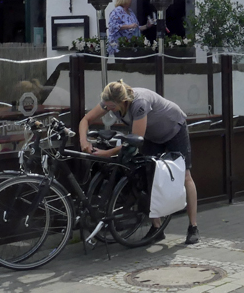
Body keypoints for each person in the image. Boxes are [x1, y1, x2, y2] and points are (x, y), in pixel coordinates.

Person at [78, 81, 198, 244]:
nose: (109, 110)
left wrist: (106, 153)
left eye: (112, 107)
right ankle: (157, 228)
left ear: (123, 101)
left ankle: (193, 227)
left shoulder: (139, 103)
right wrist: (83, 140)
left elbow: (134, 142)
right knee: (149, 178)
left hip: (174, 129)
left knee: (185, 176)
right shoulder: (110, 101)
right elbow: (86, 119)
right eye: (107, 106)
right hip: (152, 136)